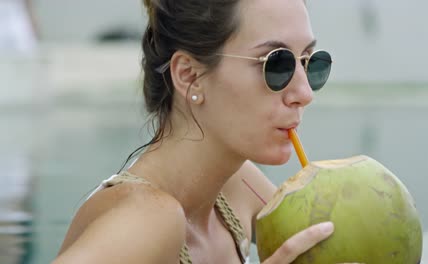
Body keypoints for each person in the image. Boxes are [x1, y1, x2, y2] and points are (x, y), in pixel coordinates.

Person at [53, 0, 334, 263]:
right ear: (189, 76)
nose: (304, 93)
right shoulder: (146, 219)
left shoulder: (236, 186)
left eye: (309, 60)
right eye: (277, 63)